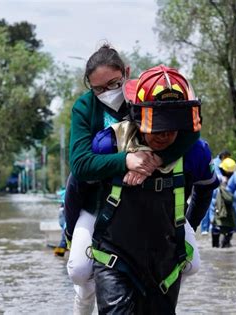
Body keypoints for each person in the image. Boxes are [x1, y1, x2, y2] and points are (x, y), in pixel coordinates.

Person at [65, 44, 200, 314]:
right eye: (99, 89)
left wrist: (156, 160)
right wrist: (126, 161)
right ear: (89, 87)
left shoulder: (146, 94)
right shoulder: (84, 108)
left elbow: (190, 131)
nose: (108, 93)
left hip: (152, 202)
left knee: (192, 263)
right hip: (101, 204)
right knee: (80, 269)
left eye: (114, 83)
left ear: (126, 73)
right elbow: (80, 164)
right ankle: (88, 294)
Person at [91, 65, 217, 314]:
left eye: (173, 125)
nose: (165, 134)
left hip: (165, 263)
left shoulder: (195, 153)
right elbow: (78, 186)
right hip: (115, 258)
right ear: (137, 116)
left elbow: (205, 191)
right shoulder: (108, 145)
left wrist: (185, 226)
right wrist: (73, 235)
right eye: (157, 125)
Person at [200, 150, 231, 235]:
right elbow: (216, 175)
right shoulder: (215, 162)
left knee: (212, 207)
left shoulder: (221, 162)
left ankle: (209, 227)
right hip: (211, 188)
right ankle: (206, 228)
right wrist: (223, 178)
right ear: (224, 156)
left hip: (216, 188)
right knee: (208, 208)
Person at [210, 157, 236, 248]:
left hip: (219, 211)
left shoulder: (219, 180)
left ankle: (216, 246)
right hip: (230, 213)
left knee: (216, 229)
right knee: (229, 230)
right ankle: (225, 245)